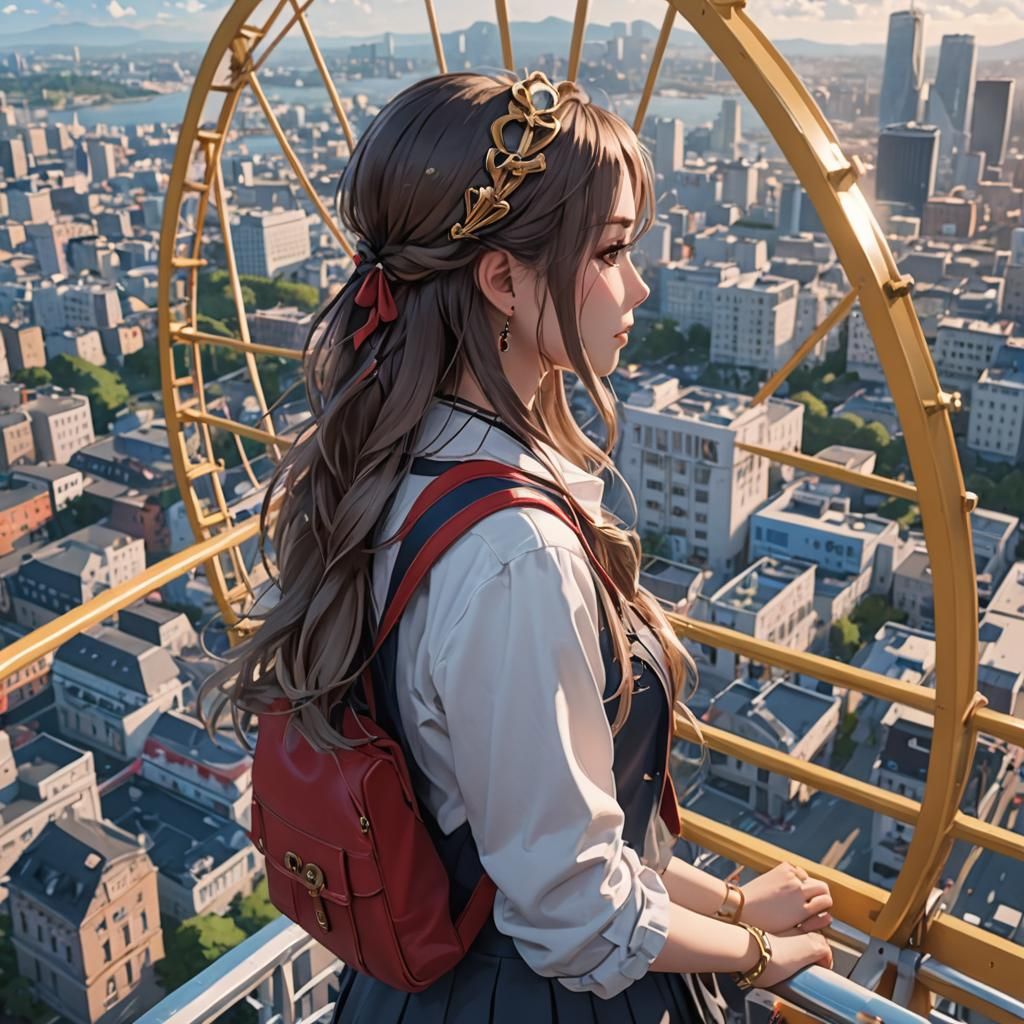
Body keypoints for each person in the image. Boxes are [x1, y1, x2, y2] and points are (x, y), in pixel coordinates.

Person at [198, 69, 834, 1023]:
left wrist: (732, 902)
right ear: (501, 279)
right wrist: (757, 954)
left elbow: (525, 831)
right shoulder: (515, 553)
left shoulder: (388, 462)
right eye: (611, 250)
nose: (638, 285)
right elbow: (575, 912)